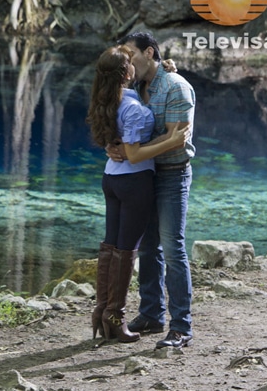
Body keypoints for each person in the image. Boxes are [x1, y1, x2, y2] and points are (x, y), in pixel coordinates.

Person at [86, 45, 188, 343]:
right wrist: (172, 140)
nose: (135, 65)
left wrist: (166, 68)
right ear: (126, 73)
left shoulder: (109, 99)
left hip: (111, 179)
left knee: (111, 246)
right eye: (130, 63)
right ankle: (114, 318)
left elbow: (121, 142)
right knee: (127, 250)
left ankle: (102, 311)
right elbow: (132, 154)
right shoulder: (130, 106)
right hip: (134, 183)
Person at [112, 31, 196, 349]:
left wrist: (133, 150)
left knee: (173, 249)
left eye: (131, 55)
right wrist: (115, 145)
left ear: (149, 53)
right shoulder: (135, 86)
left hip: (172, 177)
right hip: (142, 177)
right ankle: (150, 314)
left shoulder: (176, 87)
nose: (127, 63)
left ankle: (181, 327)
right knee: (148, 248)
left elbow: (179, 139)